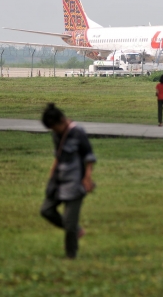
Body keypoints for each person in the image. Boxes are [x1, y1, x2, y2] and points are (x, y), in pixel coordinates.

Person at [39, 103, 97, 259]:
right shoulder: (56, 134)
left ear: (62, 121)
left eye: (54, 127)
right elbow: (58, 156)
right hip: (59, 180)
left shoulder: (78, 132)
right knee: (46, 210)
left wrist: (87, 178)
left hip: (76, 183)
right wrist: (52, 176)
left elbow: (89, 157)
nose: (53, 131)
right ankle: (77, 230)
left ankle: (71, 256)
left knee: (70, 223)